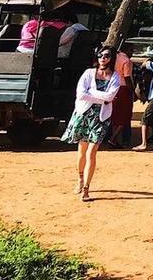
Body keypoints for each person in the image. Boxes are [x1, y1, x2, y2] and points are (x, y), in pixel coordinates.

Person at [61, 45, 121, 202]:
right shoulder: (88, 73)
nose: (103, 58)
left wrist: (93, 94)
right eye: (101, 55)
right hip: (84, 115)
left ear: (111, 58)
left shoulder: (115, 77)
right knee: (82, 152)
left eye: (107, 56)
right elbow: (81, 94)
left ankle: (86, 188)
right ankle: (80, 179)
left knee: (91, 152)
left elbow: (111, 95)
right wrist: (102, 98)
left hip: (100, 118)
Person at [107, 41, 134, 148]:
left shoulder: (114, 58)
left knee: (115, 114)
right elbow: (127, 77)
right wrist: (132, 91)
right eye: (131, 50)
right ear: (126, 50)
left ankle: (115, 139)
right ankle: (113, 138)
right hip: (123, 89)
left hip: (113, 87)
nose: (132, 52)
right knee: (125, 115)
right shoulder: (126, 60)